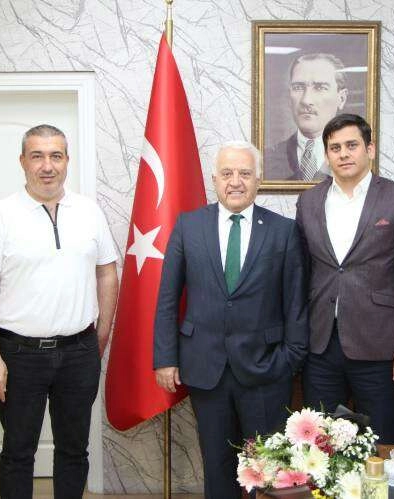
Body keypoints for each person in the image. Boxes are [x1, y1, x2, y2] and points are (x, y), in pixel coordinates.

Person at [153, 141, 308, 498]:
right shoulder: (189, 225)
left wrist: (289, 359)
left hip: (266, 370)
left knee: (267, 469)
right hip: (206, 369)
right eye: (227, 173)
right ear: (214, 180)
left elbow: (296, 302)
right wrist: (165, 358)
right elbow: (167, 298)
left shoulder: (283, 230)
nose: (235, 181)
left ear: (258, 180)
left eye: (244, 173)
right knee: (218, 466)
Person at [0, 124, 119, 498]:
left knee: (74, 450)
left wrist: (100, 335)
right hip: (18, 356)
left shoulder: (89, 211)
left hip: (79, 352)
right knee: (18, 452)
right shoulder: (1, 215)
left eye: (56, 156)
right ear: (22, 161)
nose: (47, 165)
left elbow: (107, 273)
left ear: (67, 160)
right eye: (37, 156)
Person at [295, 114, 394, 443]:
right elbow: (302, 274)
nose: (343, 154)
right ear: (327, 155)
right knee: (320, 446)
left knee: (380, 444)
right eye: (335, 148)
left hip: (381, 348)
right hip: (321, 346)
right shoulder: (309, 201)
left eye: (351, 145)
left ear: (370, 149)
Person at [265, 53, 348, 181]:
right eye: (298, 87)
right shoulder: (267, 158)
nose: (306, 100)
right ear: (289, 96)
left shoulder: (357, 159)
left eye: (320, 88)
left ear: (341, 98)